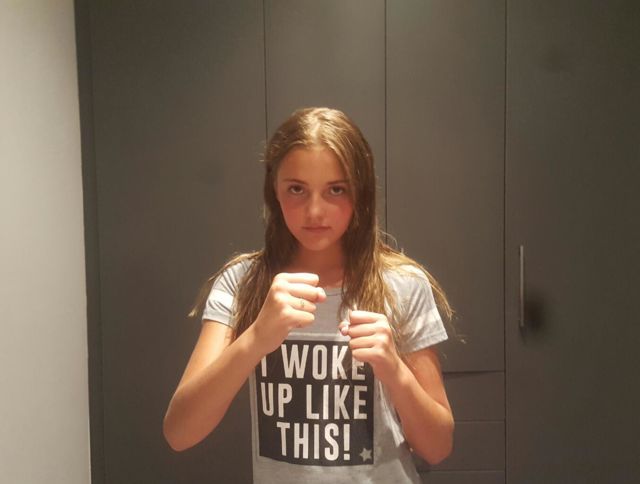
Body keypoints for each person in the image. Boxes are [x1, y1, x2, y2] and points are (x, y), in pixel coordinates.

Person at [163, 107, 455, 483]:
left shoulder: (402, 284)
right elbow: (179, 432)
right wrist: (255, 339)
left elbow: (438, 447)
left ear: (361, 192)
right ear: (275, 191)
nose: (315, 211)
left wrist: (395, 371)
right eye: (297, 189)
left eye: (336, 189)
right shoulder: (242, 283)